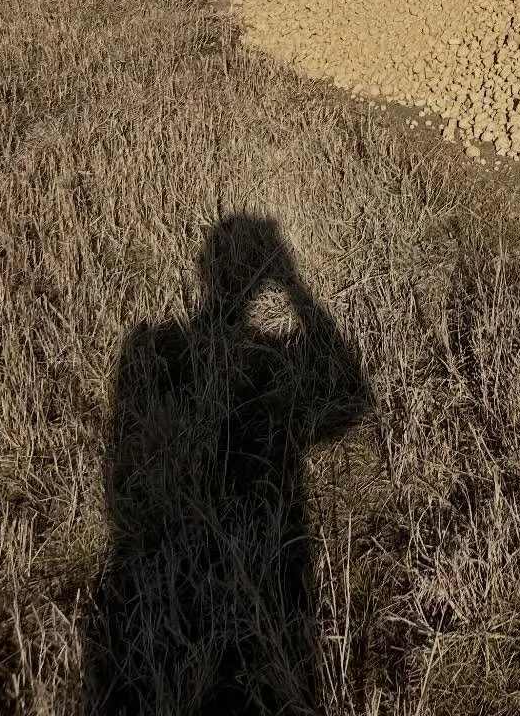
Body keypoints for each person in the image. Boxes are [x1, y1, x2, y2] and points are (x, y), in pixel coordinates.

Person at [82, 214, 371, 714]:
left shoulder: (147, 350)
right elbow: (351, 402)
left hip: (149, 600)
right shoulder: (159, 351)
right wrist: (300, 294)